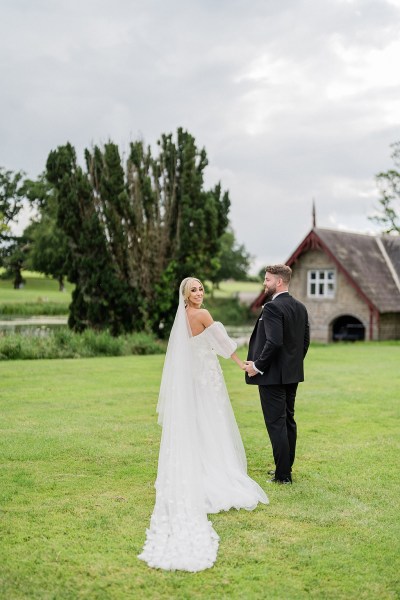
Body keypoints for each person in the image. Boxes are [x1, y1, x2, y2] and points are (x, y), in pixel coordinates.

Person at [138, 277, 268, 572]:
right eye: (194, 290)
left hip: (191, 380)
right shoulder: (203, 315)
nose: (199, 293)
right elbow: (224, 346)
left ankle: (198, 464)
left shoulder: (181, 319)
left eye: (200, 289)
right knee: (213, 421)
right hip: (207, 378)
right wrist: (242, 364)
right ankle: (215, 470)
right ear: (186, 295)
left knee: (199, 422)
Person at [244, 265, 310, 484]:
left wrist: (258, 366)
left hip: (272, 376)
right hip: (291, 374)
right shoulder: (300, 307)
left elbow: (274, 341)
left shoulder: (272, 307)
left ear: (278, 282)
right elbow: (304, 342)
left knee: (276, 423)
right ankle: (285, 470)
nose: (265, 283)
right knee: (288, 420)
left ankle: (283, 475)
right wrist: (292, 364)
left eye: (267, 280)